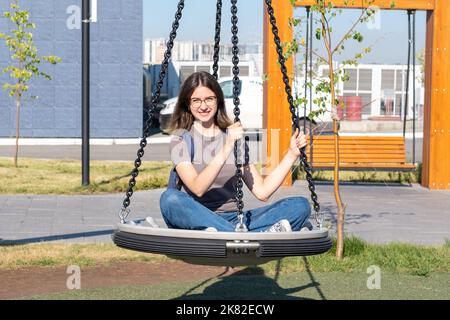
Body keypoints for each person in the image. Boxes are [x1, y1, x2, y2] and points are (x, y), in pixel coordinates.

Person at [160, 71, 311, 232]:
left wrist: (291, 154)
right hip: (195, 217)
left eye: (209, 99)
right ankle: (246, 234)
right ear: (188, 104)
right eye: (196, 100)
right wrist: (227, 145)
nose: (203, 106)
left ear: (218, 100)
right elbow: (198, 188)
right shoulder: (181, 140)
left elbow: (262, 192)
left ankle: (226, 233)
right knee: (169, 199)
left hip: (233, 219)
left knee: (300, 205)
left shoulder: (234, 137)